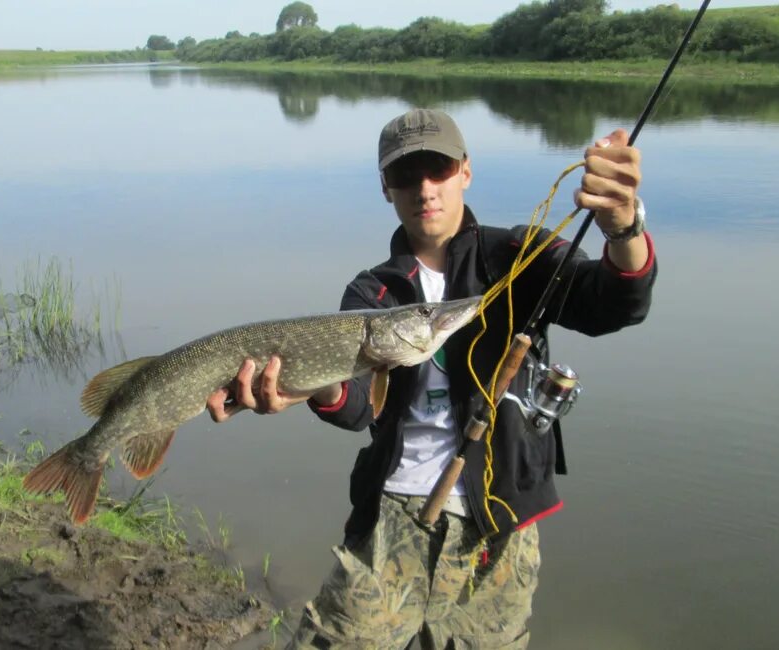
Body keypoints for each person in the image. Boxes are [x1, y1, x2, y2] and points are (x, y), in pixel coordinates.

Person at [206, 108, 655, 649]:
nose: (424, 189)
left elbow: (613, 303)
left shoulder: (519, 256)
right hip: (390, 515)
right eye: (405, 176)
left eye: (438, 169)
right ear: (385, 188)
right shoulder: (373, 293)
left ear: (465, 171)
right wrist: (309, 385)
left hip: (498, 522)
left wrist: (624, 226)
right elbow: (354, 409)